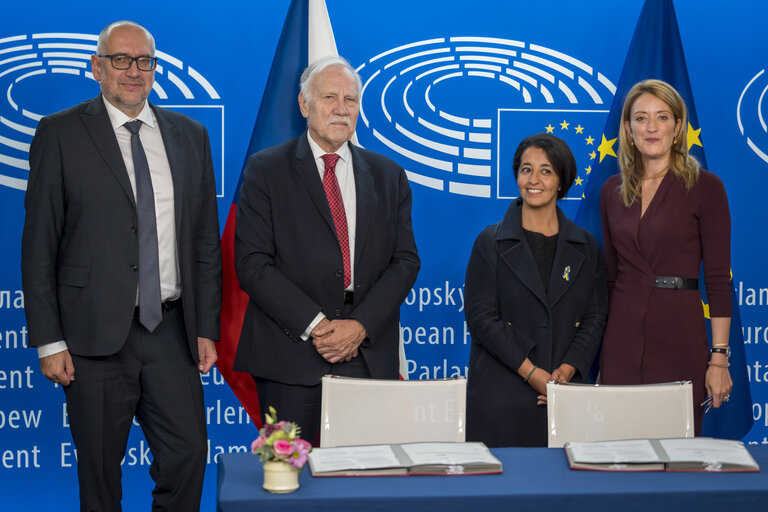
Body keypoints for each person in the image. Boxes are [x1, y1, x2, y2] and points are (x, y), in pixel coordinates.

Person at [21, 21, 222, 511]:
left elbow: (203, 242)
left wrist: (206, 327)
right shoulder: (61, 132)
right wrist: (50, 341)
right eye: (120, 60)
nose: (133, 71)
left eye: (144, 61)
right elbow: (39, 245)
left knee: (189, 454)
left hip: (172, 332)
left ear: (155, 69)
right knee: (99, 476)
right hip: (92, 339)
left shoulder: (190, 135)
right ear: (97, 67)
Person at [233, 56, 420, 445]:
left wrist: (360, 325)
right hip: (291, 356)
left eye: (350, 99)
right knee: (291, 484)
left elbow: (405, 261)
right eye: (329, 97)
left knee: (365, 487)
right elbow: (253, 264)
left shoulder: (388, 175)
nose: (341, 108)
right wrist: (318, 326)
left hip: (366, 354)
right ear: (304, 105)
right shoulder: (266, 169)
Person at [599, 79, 733, 435]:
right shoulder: (611, 192)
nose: (651, 127)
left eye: (662, 117)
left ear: (678, 127)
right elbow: (610, 277)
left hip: (679, 331)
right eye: (641, 118)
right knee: (617, 451)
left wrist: (719, 357)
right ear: (628, 130)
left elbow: (718, 280)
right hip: (621, 336)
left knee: (677, 458)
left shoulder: (707, 188)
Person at [464, 133, 607, 447]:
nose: (534, 179)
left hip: (565, 398)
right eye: (526, 169)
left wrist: (566, 373)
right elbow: (482, 320)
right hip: (501, 401)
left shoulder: (586, 246)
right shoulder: (490, 242)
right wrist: (534, 374)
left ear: (561, 181)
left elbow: (595, 317)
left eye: (546, 171)